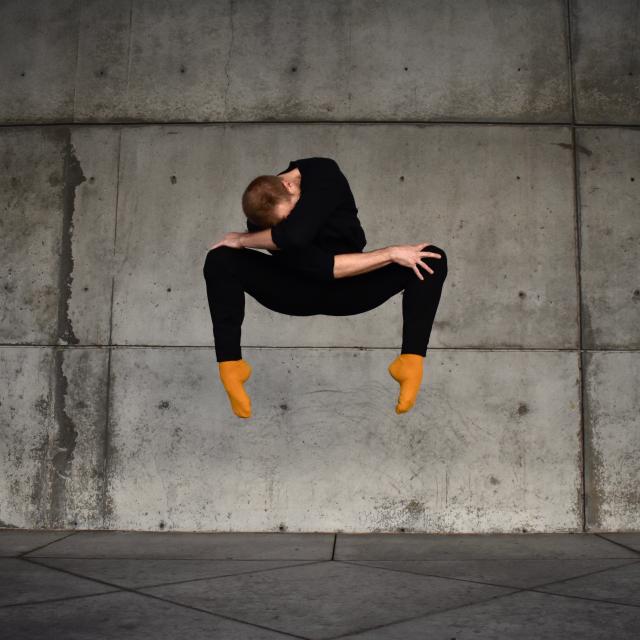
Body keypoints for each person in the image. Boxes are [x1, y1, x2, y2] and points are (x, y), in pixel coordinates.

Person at [203, 157, 448, 418]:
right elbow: (317, 260)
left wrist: (246, 240)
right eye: (276, 228)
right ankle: (231, 366)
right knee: (220, 259)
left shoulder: (322, 174)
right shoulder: (260, 221)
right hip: (293, 291)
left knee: (431, 257)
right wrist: (390, 254)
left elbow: (294, 236)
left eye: (289, 216)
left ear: (288, 185)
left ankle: (410, 361)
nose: (285, 226)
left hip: (349, 290)